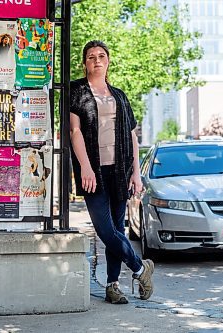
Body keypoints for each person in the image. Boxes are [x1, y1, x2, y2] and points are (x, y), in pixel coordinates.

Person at [69, 40, 154, 304]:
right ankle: (141, 268)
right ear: (85, 63)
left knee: (117, 227)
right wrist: (85, 166)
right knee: (105, 230)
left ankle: (112, 286)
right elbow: (75, 131)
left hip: (119, 170)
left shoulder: (119, 95)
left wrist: (136, 174)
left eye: (101, 56)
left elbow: (132, 137)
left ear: (108, 61)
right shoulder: (77, 91)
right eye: (91, 56)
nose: (96, 60)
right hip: (93, 170)